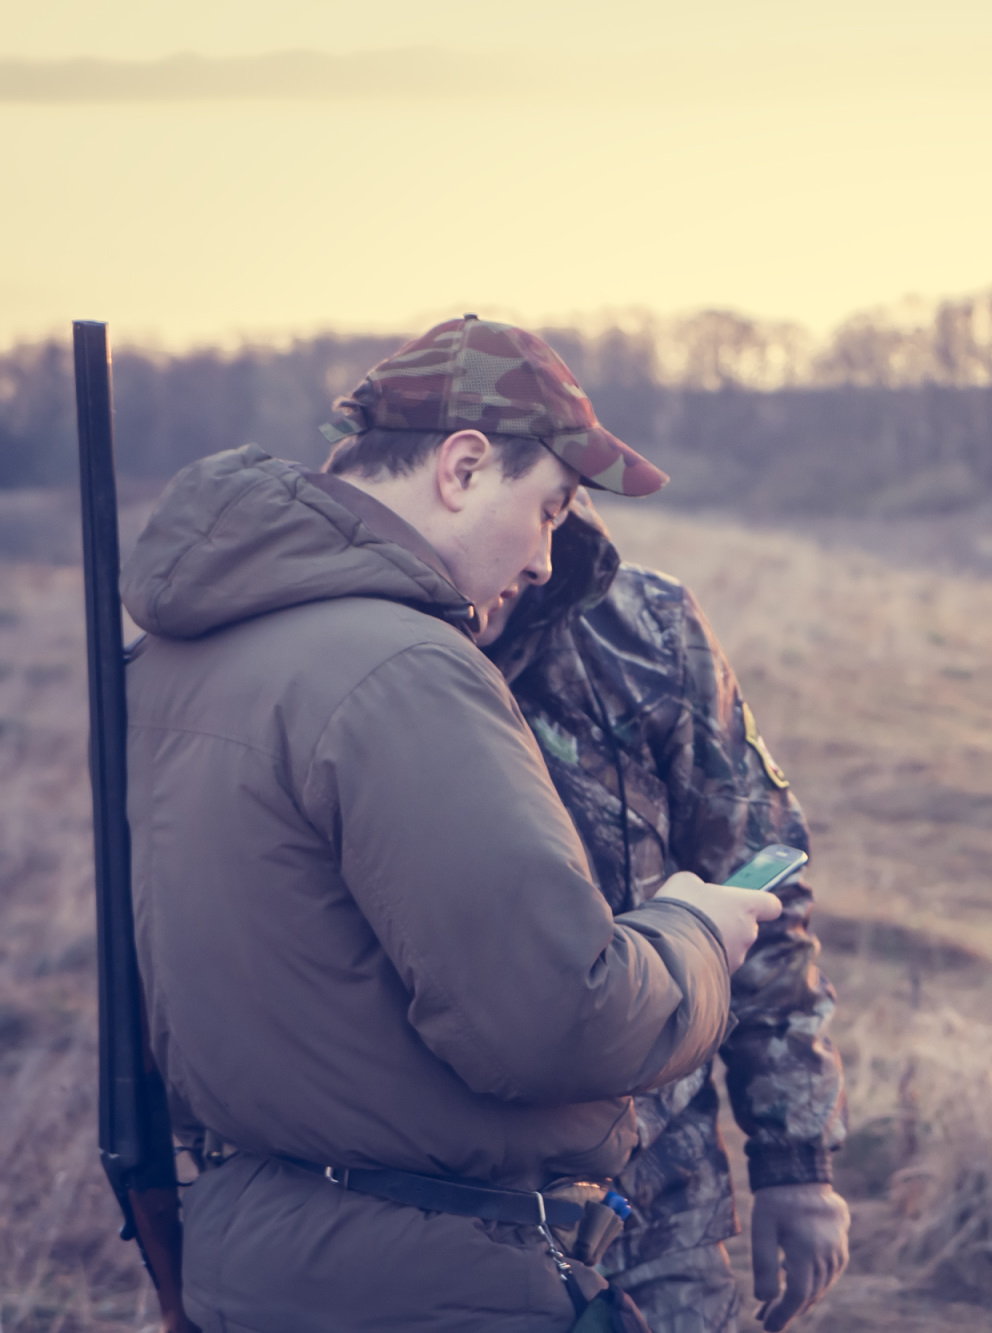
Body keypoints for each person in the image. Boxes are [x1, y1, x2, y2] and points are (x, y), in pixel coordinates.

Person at [121, 315, 781, 1331]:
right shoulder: (403, 666)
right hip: (426, 1280)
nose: (545, 554)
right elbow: (558, 1021)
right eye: (549, 508)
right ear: (463, 466)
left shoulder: (187, 653)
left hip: (264, 1251)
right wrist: (696, 931)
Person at [469, 492, 850, 1333]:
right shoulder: (346, 653)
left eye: (545, 500)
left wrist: (796, 1160)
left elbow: (757, 885)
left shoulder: (646, 626)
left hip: (657, 1208)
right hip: (425, 1217)